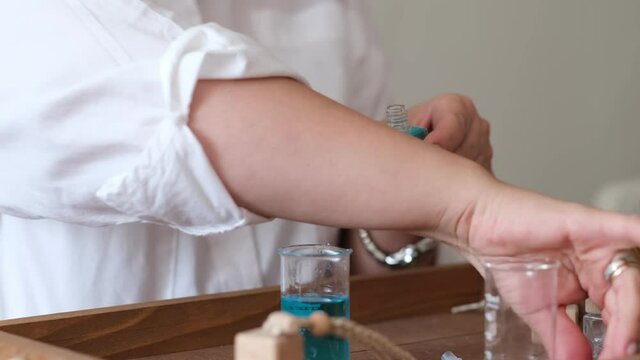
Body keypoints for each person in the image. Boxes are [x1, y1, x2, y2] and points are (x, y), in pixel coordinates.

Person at [1, 2, 639, 359]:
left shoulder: (325, 11)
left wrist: (399, 210)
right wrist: (463, 204)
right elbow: (179, 110)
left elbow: (356, 273)